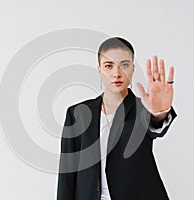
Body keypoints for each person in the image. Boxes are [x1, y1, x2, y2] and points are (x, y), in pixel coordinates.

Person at [57, 37, 177, 200]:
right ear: (99, 69)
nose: (116, 73)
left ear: (133, 69)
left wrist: (160, 112)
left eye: (124, 65)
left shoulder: (143, 109)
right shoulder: (77, 113)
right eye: (109, 66)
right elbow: (68, 172)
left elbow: (156, 126)